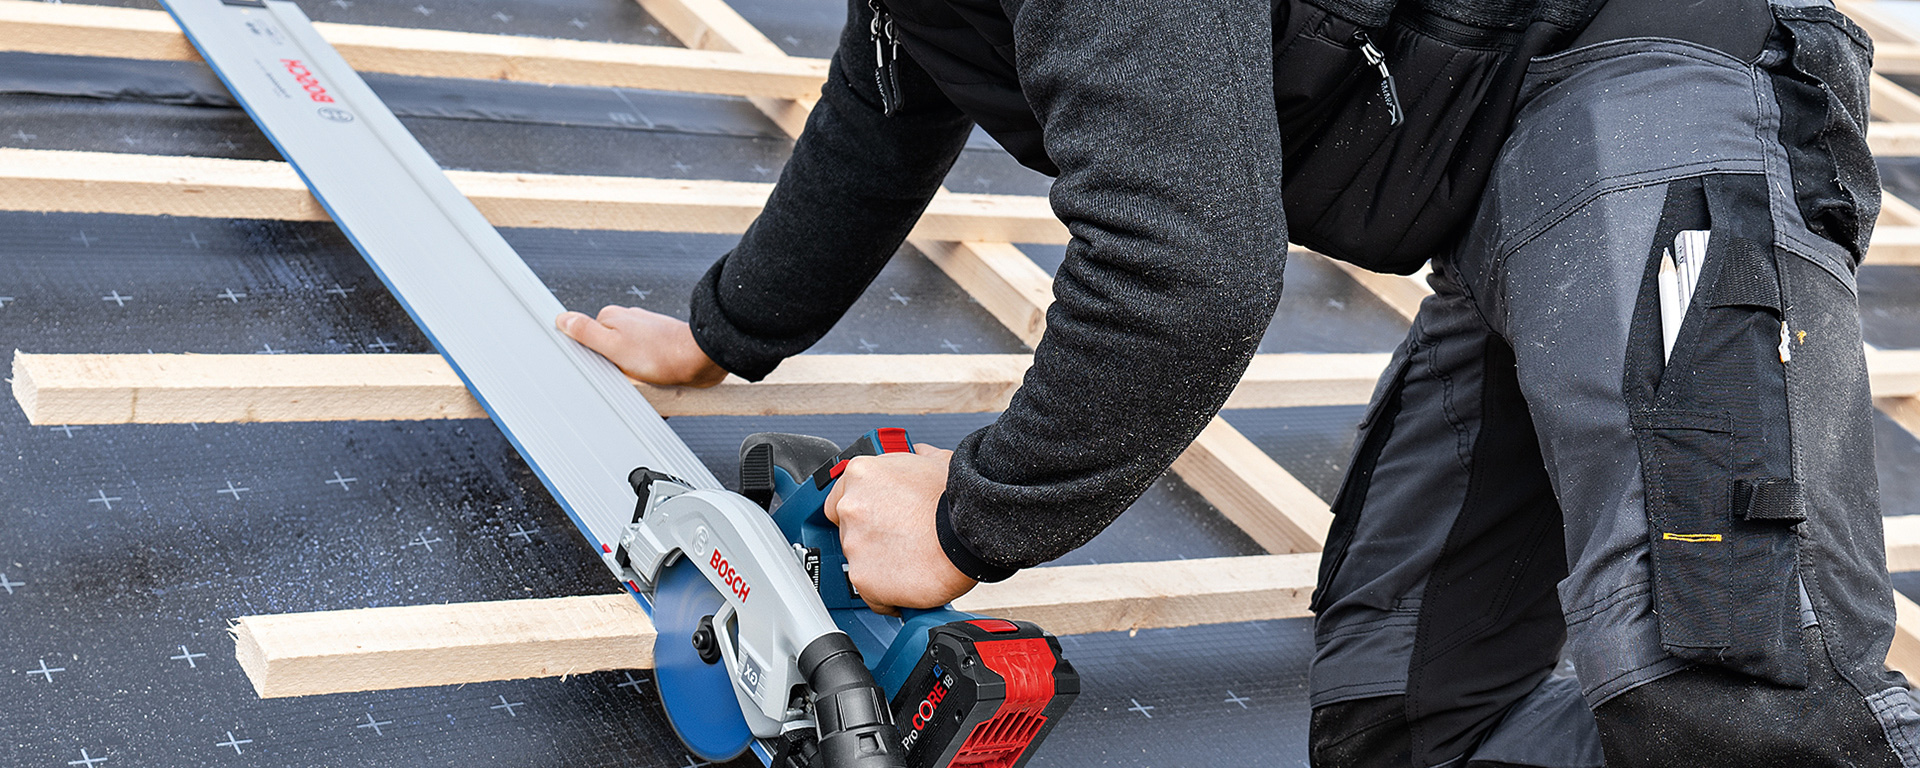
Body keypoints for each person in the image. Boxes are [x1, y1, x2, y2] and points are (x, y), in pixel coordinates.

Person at [555, 0, 1920, 762]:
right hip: (1494, 196)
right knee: (1404, 725)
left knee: (1736, 678)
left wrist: (976, 517)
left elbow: (1191, 273)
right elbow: (893, 82)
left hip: (1662, 75)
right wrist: (728, 328)